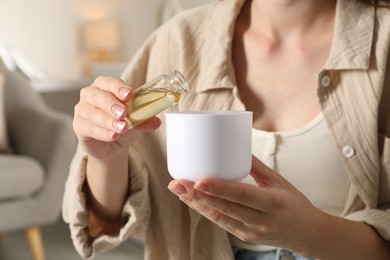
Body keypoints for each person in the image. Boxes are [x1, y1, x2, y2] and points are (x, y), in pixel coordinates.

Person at [62, 0, 390, 259]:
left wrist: (311, 233)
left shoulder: (383, 42)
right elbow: (107, 219)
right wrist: (106, 158)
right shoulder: (178, 40)